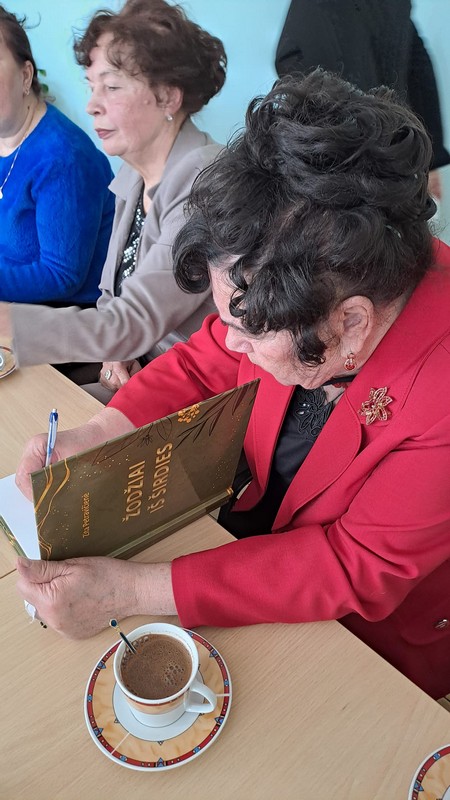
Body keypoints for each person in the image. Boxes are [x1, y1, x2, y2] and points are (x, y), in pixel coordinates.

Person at [14, 70, 450, 700]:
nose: (230, 339)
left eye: (248, 331)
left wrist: (131, 592)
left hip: (364, 645)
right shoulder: (301, 279)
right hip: (251, 548)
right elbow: (204, 361)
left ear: (351, 323)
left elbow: (351, 566)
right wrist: (99, 433)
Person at [0, 0, 226, 401]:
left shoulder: (203, 184)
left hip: (194, 388)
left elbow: (132, 321)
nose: (91, 105)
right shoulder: (133, 174)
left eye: (112, 87)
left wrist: (6, 321)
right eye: (92, 87)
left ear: (168, 97)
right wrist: (116, 356)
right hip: (140, 368)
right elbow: (112, 297)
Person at [275, 0, 450, 199]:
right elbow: (419, 69)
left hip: (347, 167)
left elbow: (290, 56)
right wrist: (431, 158)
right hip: (393, 161)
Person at [0, 5, 115, 305]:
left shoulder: (64, 157)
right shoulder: (6, 138)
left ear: (26, 76)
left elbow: (61, 275)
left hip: (60, 322)